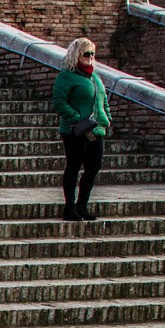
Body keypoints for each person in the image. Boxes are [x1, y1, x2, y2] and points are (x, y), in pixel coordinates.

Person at [52, 36, 110, 220]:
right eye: (86, 53)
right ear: (76, 55)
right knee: (74, 166)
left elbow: (103, 100)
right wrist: (78, 119)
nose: (90, 56)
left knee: (94, 166)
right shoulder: (67, 76)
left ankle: (82, 205)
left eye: (93, 53)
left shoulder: (94, 77)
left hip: (95, 129)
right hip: (75, 130)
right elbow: (59, 102)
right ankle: (69, 208)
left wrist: (106, 118)